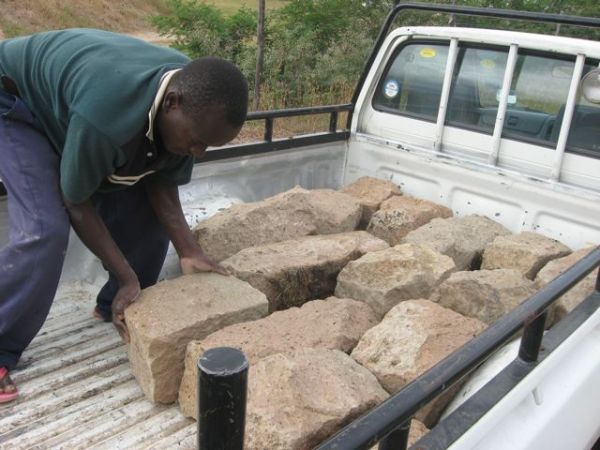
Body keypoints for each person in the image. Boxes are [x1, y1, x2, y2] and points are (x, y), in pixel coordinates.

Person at [0, 28, 248, 403]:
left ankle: (116, 303)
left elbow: (163, 185)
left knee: (146, 207)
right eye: (196, 140)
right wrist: (127, 273)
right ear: (172, 104)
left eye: (208, 147)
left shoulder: (193, 95)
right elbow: (77, 203)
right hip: (15, 101)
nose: (198, 152)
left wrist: (189, 251)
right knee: (44, 230)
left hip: (77, 103)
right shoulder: (107, 116)